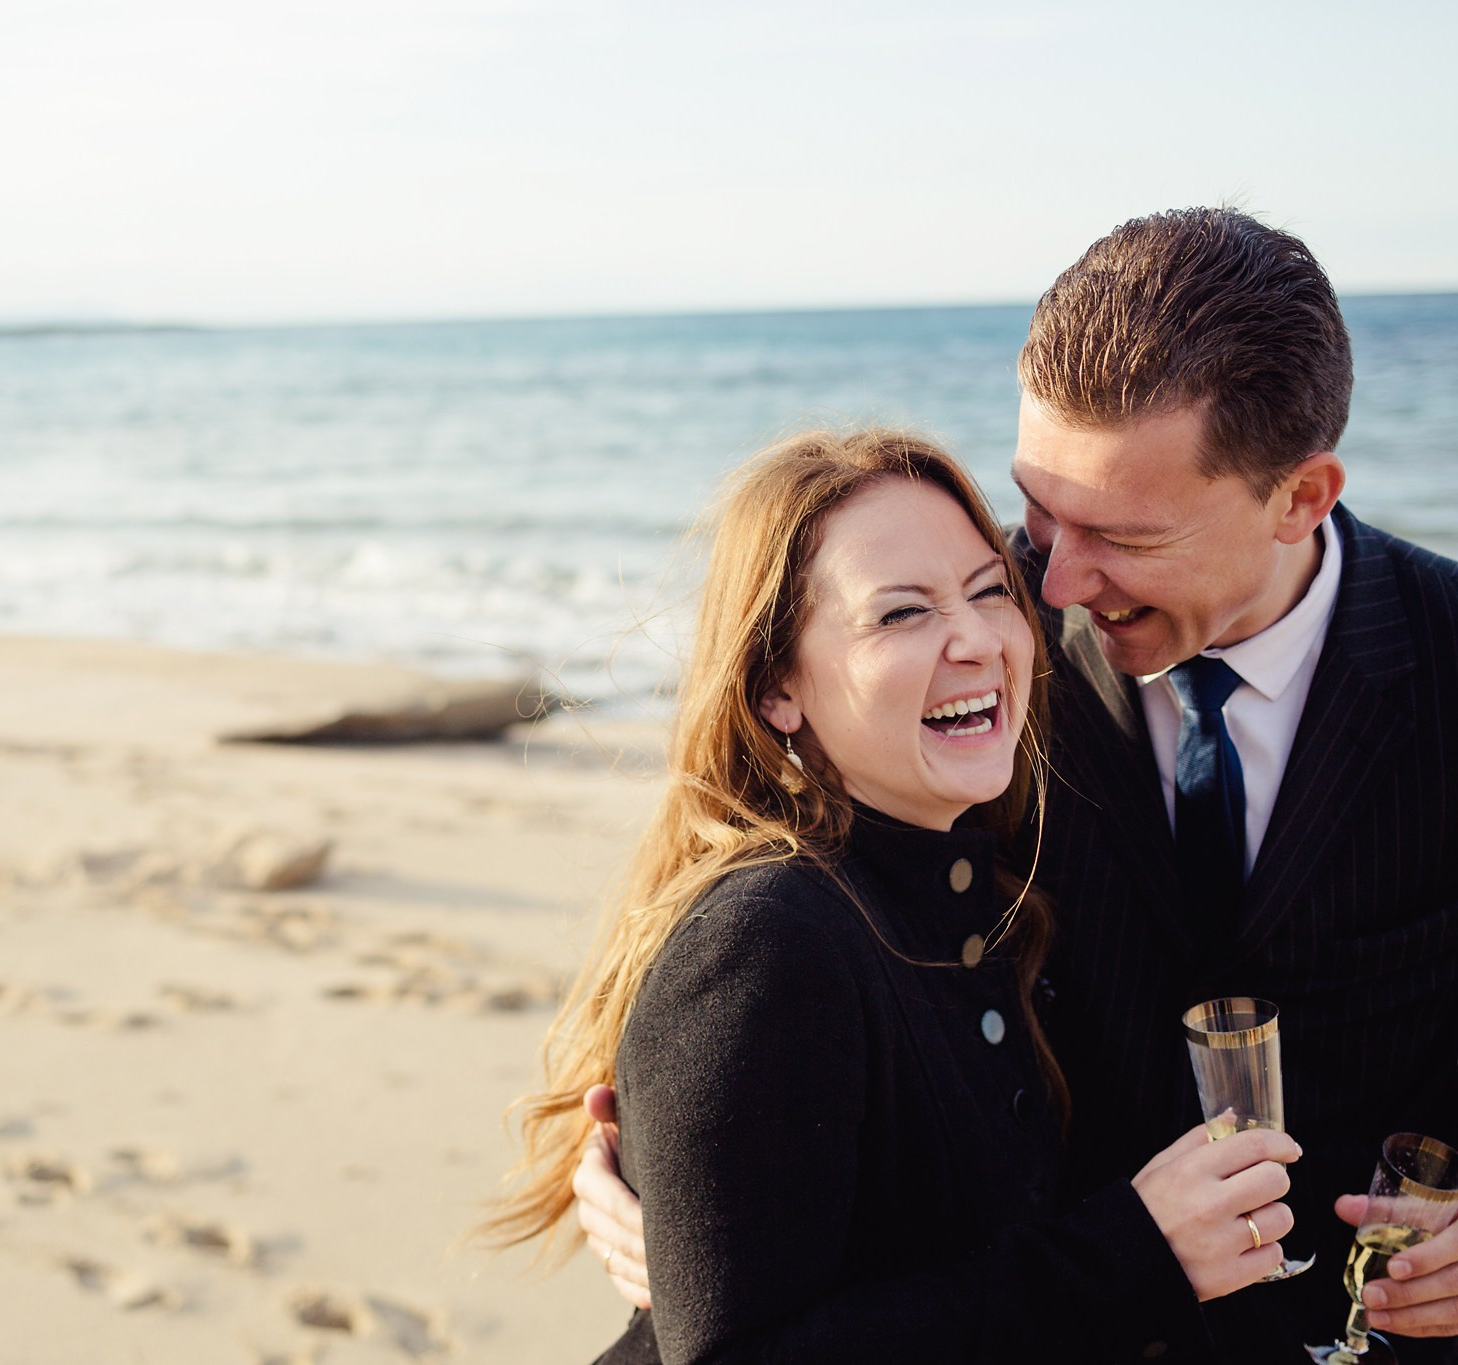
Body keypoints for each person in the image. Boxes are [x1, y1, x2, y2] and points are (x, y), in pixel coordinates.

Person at [568, 210, 1458, 1363]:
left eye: (1120, 534)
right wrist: (656, 1176)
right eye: (1039, 508)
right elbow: (762, 917)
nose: (1055, 576)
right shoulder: (965, 638)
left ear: (1298, 498)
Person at [481, 427, 1303, 1361]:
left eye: (992, 590)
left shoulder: (980, 884)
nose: (977, 640)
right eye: (901, 614)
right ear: (774, 690)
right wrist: (1133, 1254)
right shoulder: (768, 941)